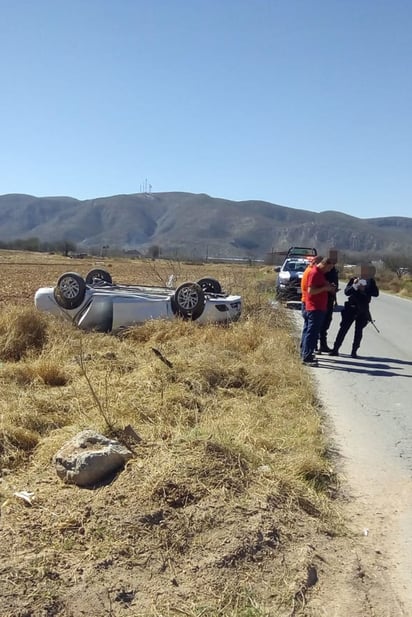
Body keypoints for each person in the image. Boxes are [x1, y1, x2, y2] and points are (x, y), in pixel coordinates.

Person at [329, 276, 379, 358]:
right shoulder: (354, 279)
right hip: (351, 308)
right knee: (343, 329)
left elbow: (376, 293)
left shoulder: (370, 281)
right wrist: (355, 285)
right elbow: (347, 292)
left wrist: (364, 289)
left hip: (363, 309)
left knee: (358, 331)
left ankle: (354, 351)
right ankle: (335, 349)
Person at [301, 257, 336, 366]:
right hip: (314, 307)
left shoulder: (319, 274)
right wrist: (325, 289)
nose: (329, 271)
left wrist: (328, 287)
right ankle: (307, 357)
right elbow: (311, 291)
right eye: (329, 268)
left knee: (309, 331)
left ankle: (306, 353)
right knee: (312, 333)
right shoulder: (315, 273)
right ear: (324, 264)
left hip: (317, 307)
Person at [300, 256, 322, 352]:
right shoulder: (311, 273)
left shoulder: (307, 270)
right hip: (308, 303)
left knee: (307, 328)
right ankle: (307, 353)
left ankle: (303, 350)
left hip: (305, 302)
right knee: (310, 330)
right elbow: (311, 290)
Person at [317, 258, 339, 353]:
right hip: (323, 298)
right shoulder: (322, 271)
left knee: (327, 322)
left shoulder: (333, 270)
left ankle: (323, 344)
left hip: (330, 298)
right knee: (319, 323)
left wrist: (334, 288)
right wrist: (328, 287)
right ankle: (315, 346)